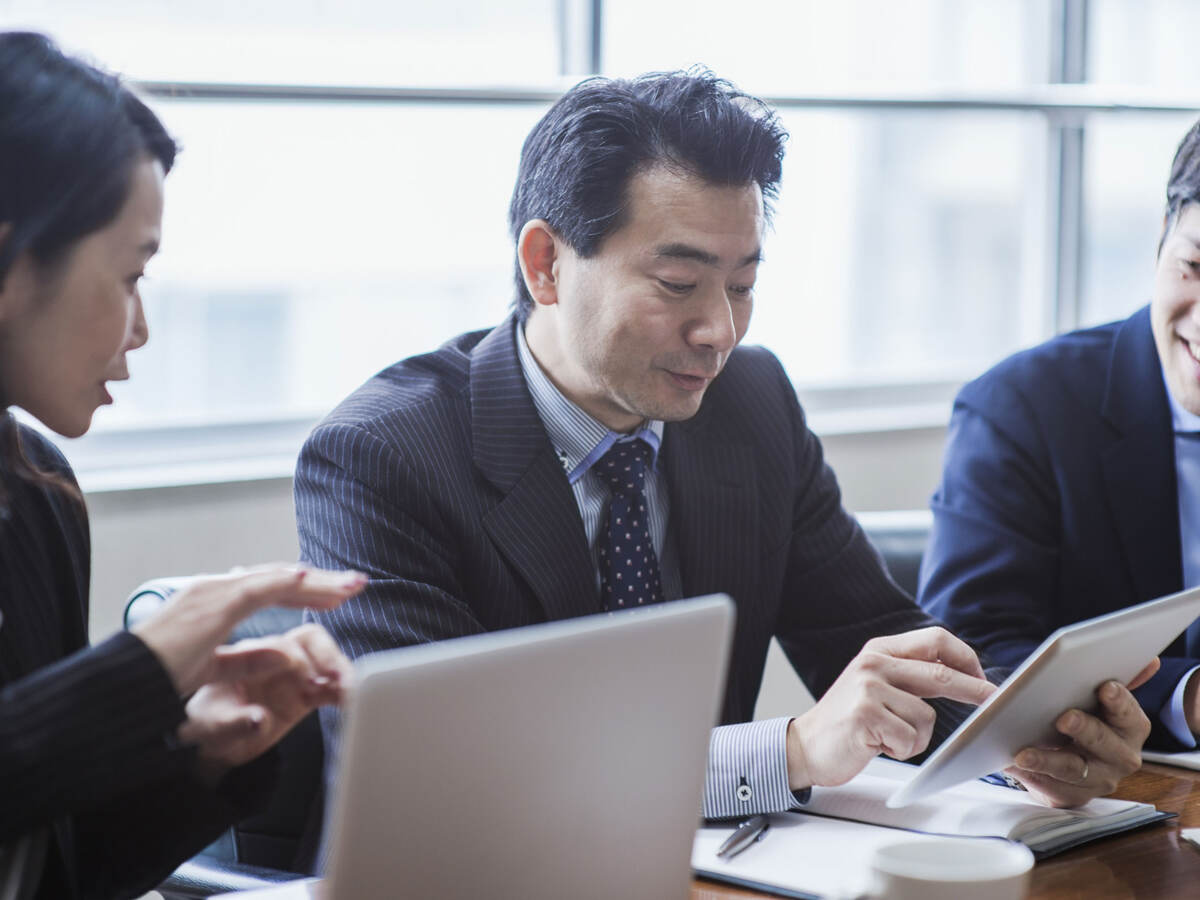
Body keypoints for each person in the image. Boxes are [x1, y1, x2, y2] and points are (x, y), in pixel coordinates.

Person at [295, 70, 1149, 839]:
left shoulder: (750, 404)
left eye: (742, 286)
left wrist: (1036, 739)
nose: (719, 331)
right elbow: (453, 782)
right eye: (678, 286)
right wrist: (789, 749)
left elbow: (885, 648)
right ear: (545, 263)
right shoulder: (381, 458)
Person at [0, 32, 363, 900]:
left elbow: (55, 859)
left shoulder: (36, 491)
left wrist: (199, 756)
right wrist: (141, 671)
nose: (141, 328)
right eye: (130, 275)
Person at [918, 115, 1200, 754]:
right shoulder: (1022, 410)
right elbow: (973, 654)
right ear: (1162, 238)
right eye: (1194, 263)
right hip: (1090, 806)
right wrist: (1189, 697)